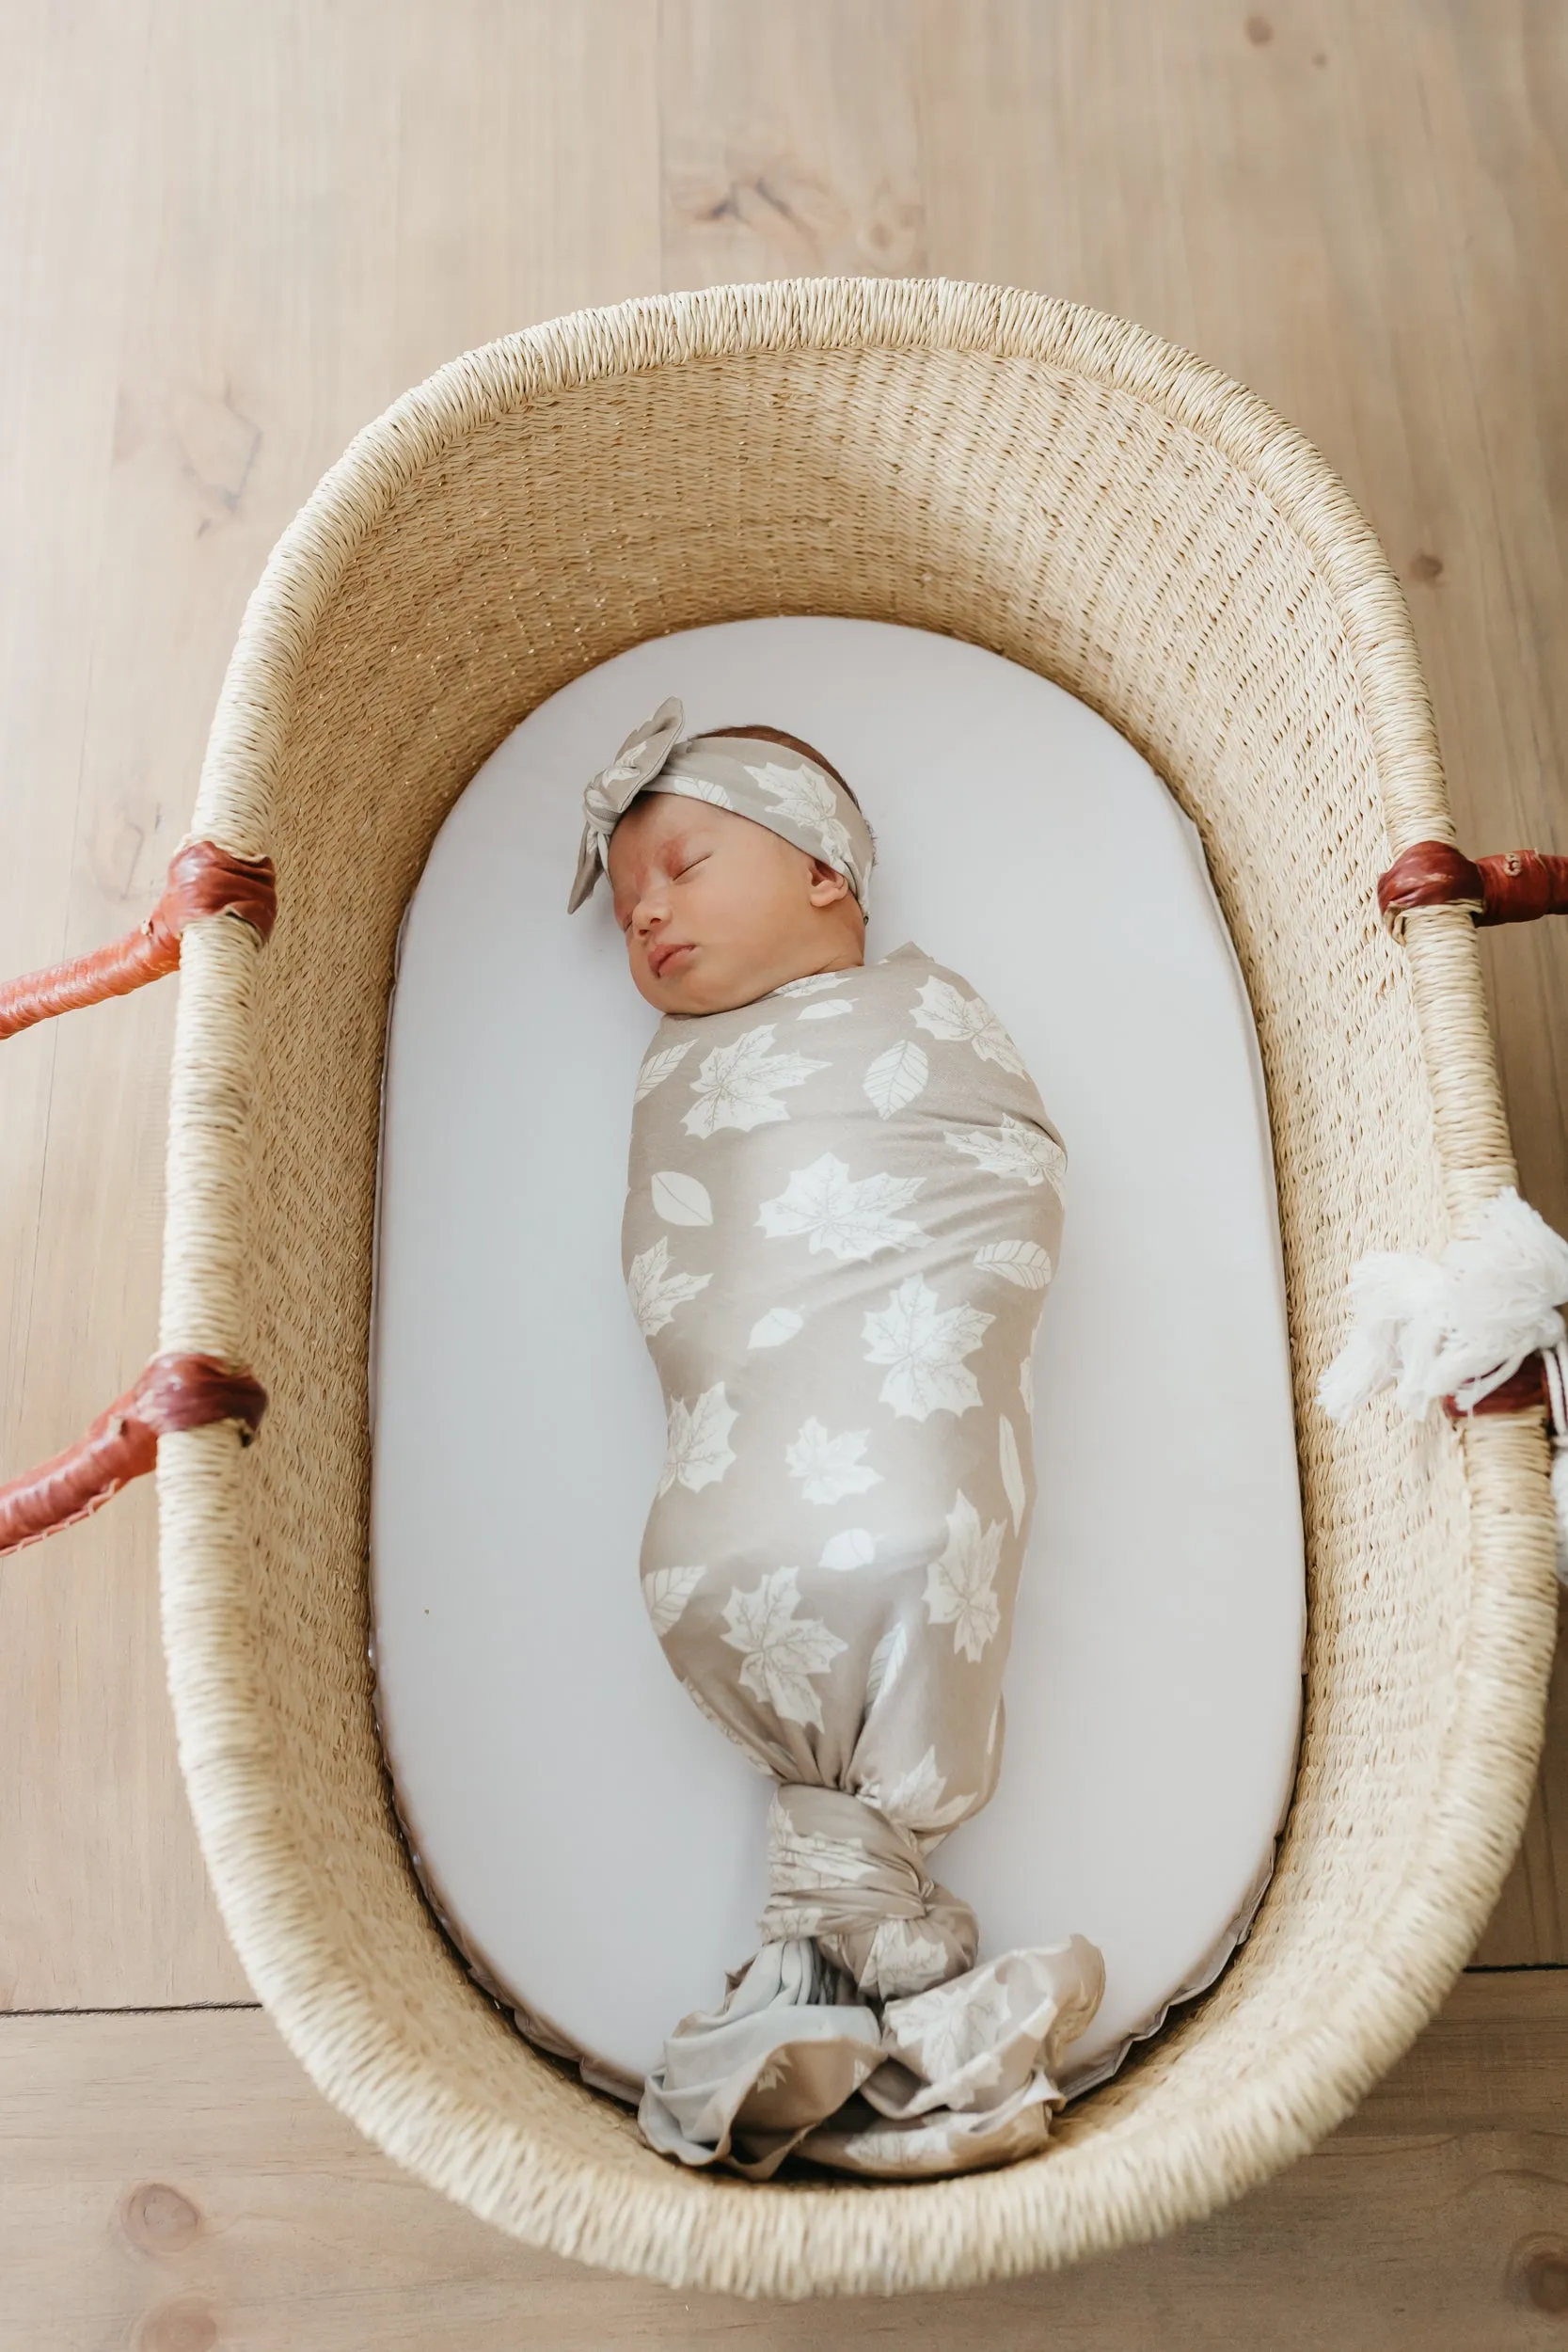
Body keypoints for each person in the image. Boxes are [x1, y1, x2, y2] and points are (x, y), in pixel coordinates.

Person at [565, 699, 1103, 2180]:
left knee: (921, 1524)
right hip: (743, 1444)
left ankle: (847, 1985)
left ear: (824, 873)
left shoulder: (918, 1016)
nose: (649, 914)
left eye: (679, 864)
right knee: (711, 1555)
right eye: (624, 910)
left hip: (899, 1363)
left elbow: (998, 1186)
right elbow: (704, 1279)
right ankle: (870, 1996)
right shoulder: (681, 1076)